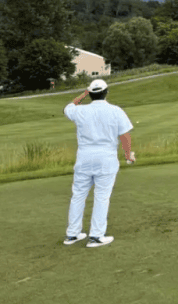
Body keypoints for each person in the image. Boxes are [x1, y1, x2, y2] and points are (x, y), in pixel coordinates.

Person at [62, 79, 134, 248]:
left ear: (91, 94)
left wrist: (85, 93)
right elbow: (125, 136)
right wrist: (127, 155)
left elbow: (67, 108)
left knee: (78, 195)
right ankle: (95, 236)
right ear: (106, 92)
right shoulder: (115, 110)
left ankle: (72, 234)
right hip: (106, 158)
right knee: (102, 196)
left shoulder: (80, 110)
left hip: (84, 158)